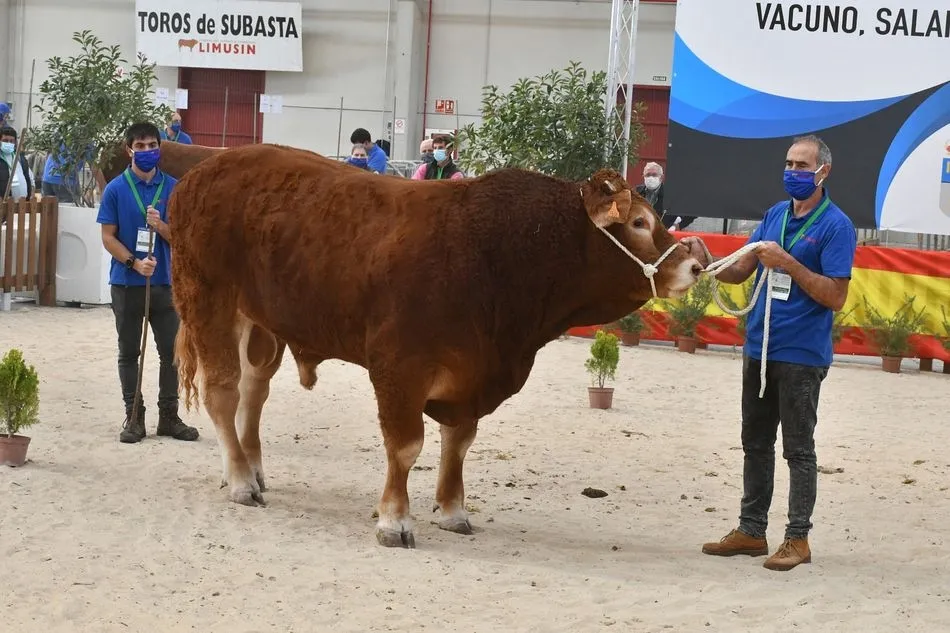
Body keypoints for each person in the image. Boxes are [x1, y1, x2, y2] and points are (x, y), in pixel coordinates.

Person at [682, 134, 857, 572]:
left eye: (802, 165)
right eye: (789, 163)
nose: (793, 171)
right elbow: (742, 269)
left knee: (798, 450)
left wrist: (790, 265)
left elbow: (835, 296)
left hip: (802, 354)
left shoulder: (836, 226)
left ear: (823, 172)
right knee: (754, 443)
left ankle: (798, 539)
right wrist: (708, 260)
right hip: (759, 347)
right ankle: (751, 530)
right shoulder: (774, 215)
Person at [96, 121, 200, 444]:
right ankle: (134, 416)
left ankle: (168, 416)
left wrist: (161, 226)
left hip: (165, 285)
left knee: (172, 352)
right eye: (139, 146)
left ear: (160, 148)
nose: (146, 151)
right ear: (130, 150)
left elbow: (183, 237)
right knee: (129, 352)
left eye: (151, 145)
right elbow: (107, 236)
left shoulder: (173, 188)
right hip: (127, 284)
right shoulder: (115, 189)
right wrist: (133, 262)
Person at [636, 162, 695, 231]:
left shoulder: (671, 194)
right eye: (648, 175)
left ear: (661, 177)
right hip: (641, 233)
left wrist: (678, 225)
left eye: (654, 175)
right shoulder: (637, 192)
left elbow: (692, 211)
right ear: (643, 176)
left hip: (663, 234)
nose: (650, 178)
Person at [0, 126, 33, 201]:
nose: (9, 143)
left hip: (21, 204)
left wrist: (28, 196)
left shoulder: (20, 158)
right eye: (5, 140)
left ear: (15, 142)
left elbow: (27, 178)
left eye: (11, 141)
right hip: (3, 203)